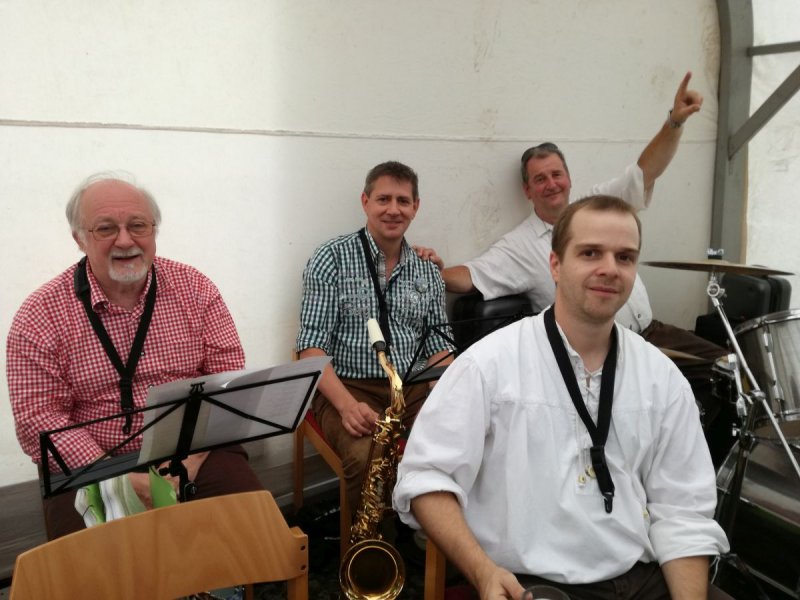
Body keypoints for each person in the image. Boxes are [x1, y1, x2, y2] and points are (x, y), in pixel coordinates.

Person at [394, 195, 730, 600]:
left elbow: (684, 509)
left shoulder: (663, 377)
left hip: (644, 577)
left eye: (624, 257)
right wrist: (483, 573)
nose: (610, 268)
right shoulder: (487, 365)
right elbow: (426, 478)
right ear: (555, 265)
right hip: (533, 582)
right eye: (590, 253)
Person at [425, 72, 730, 463]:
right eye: (540, 179)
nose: (551, 184)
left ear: (569, 178)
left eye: (556, 174)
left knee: (733, 373)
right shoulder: (520, 245)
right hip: (598, 354)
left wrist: (674, 122)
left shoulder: (597, 206)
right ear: (528, 190)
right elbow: (470, 277)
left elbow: (646, 171)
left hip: (653, 333)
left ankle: (710, 470)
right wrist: (430, 268)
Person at [6, 172, 264, 539]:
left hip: (190, 448)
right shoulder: (39, 314)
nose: (125, 240)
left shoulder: (196, 288)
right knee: (89, 566)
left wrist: (188, 459)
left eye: (138, 225)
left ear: (154, 230)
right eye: (106, 228)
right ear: (79, 238)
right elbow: (39, 418)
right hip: (89, 463)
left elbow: (226, 379)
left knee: (256, 536)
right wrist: (118, 479)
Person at [296, 160, 452, 511]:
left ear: (415, 207)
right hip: (348, 386)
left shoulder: (427, 268)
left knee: (462, 439)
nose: (393, 210)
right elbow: (310, 348)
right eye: (383, 199)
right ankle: (371, 545)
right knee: (368, 457)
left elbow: (438, 344)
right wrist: (347, 406)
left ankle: (431, 532)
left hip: (410, 388)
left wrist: (449, 394)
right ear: (365, 202)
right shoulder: (330, 257)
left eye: (403, 201)